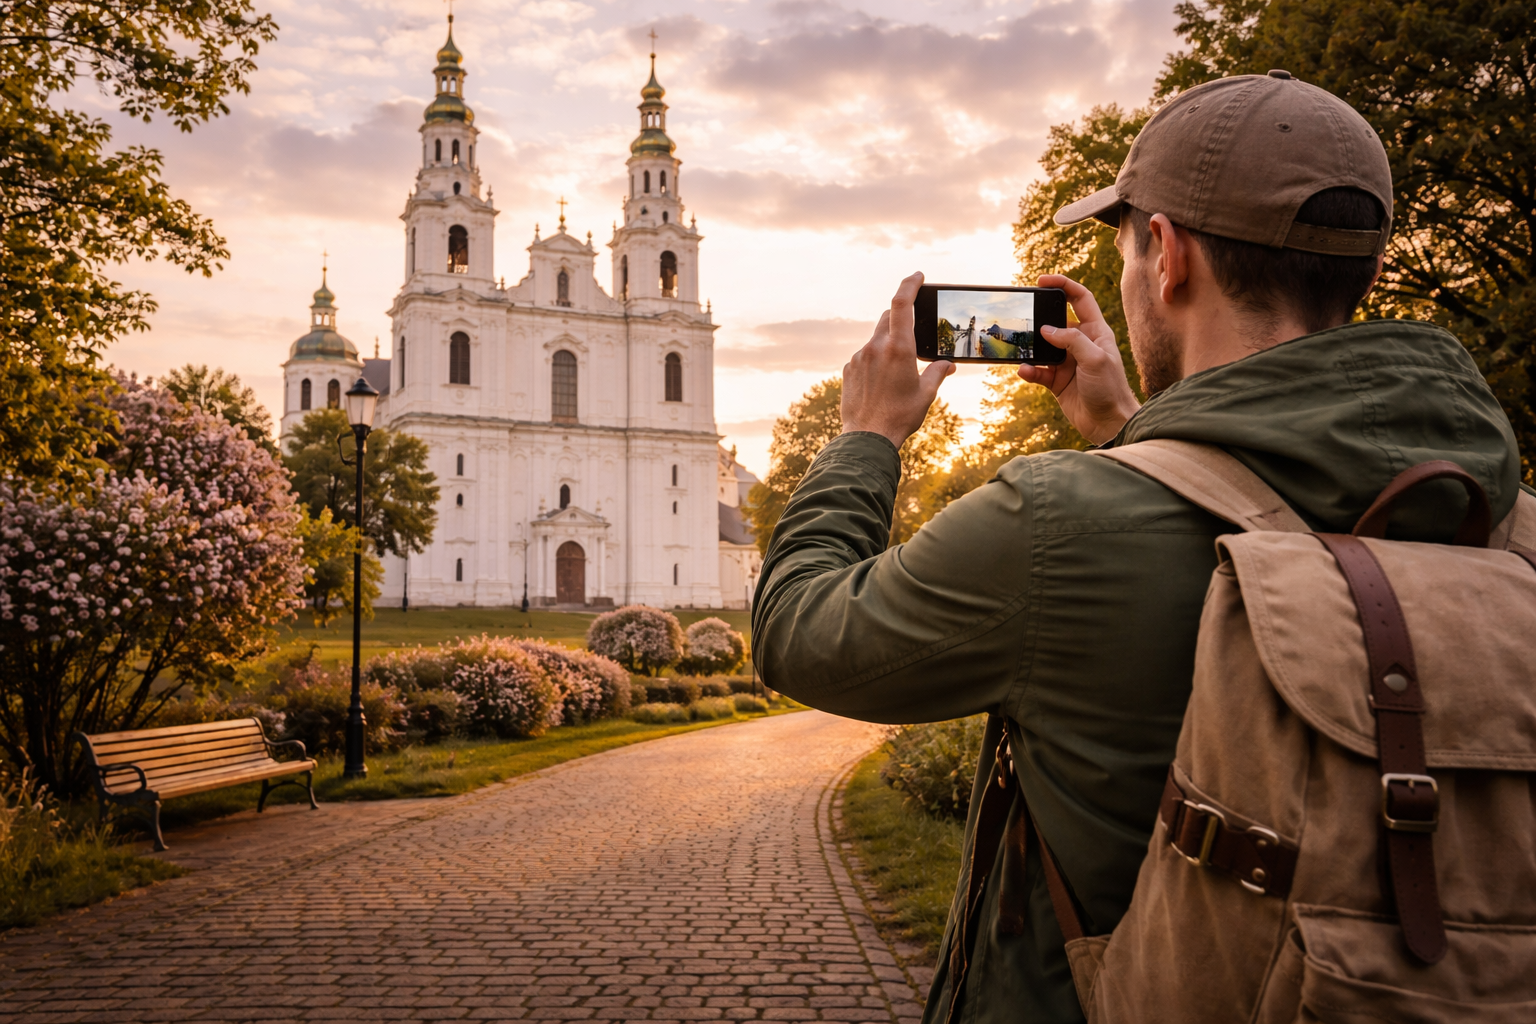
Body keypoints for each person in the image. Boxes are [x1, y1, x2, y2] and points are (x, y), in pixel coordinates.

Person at [751, 71, 1526, 1024]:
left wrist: (864, 439)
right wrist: (1135, 430)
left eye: (1124, 244)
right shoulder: (1508, 523)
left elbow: (800, 631)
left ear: (1166, 256)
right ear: (1359, 272)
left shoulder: (1053, 525)